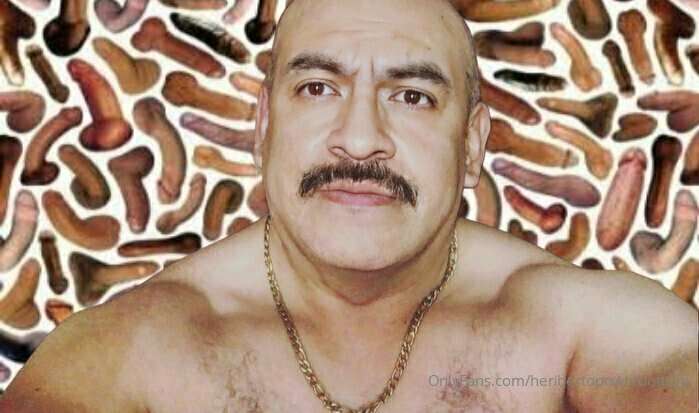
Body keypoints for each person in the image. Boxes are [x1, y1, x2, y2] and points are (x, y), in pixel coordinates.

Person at [1, 0, 697, 411]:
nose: (360, 139)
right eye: (317, 88)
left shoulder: (573, 329)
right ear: (263, 127)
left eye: (412, 96)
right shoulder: (137, 349)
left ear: (472, 145)